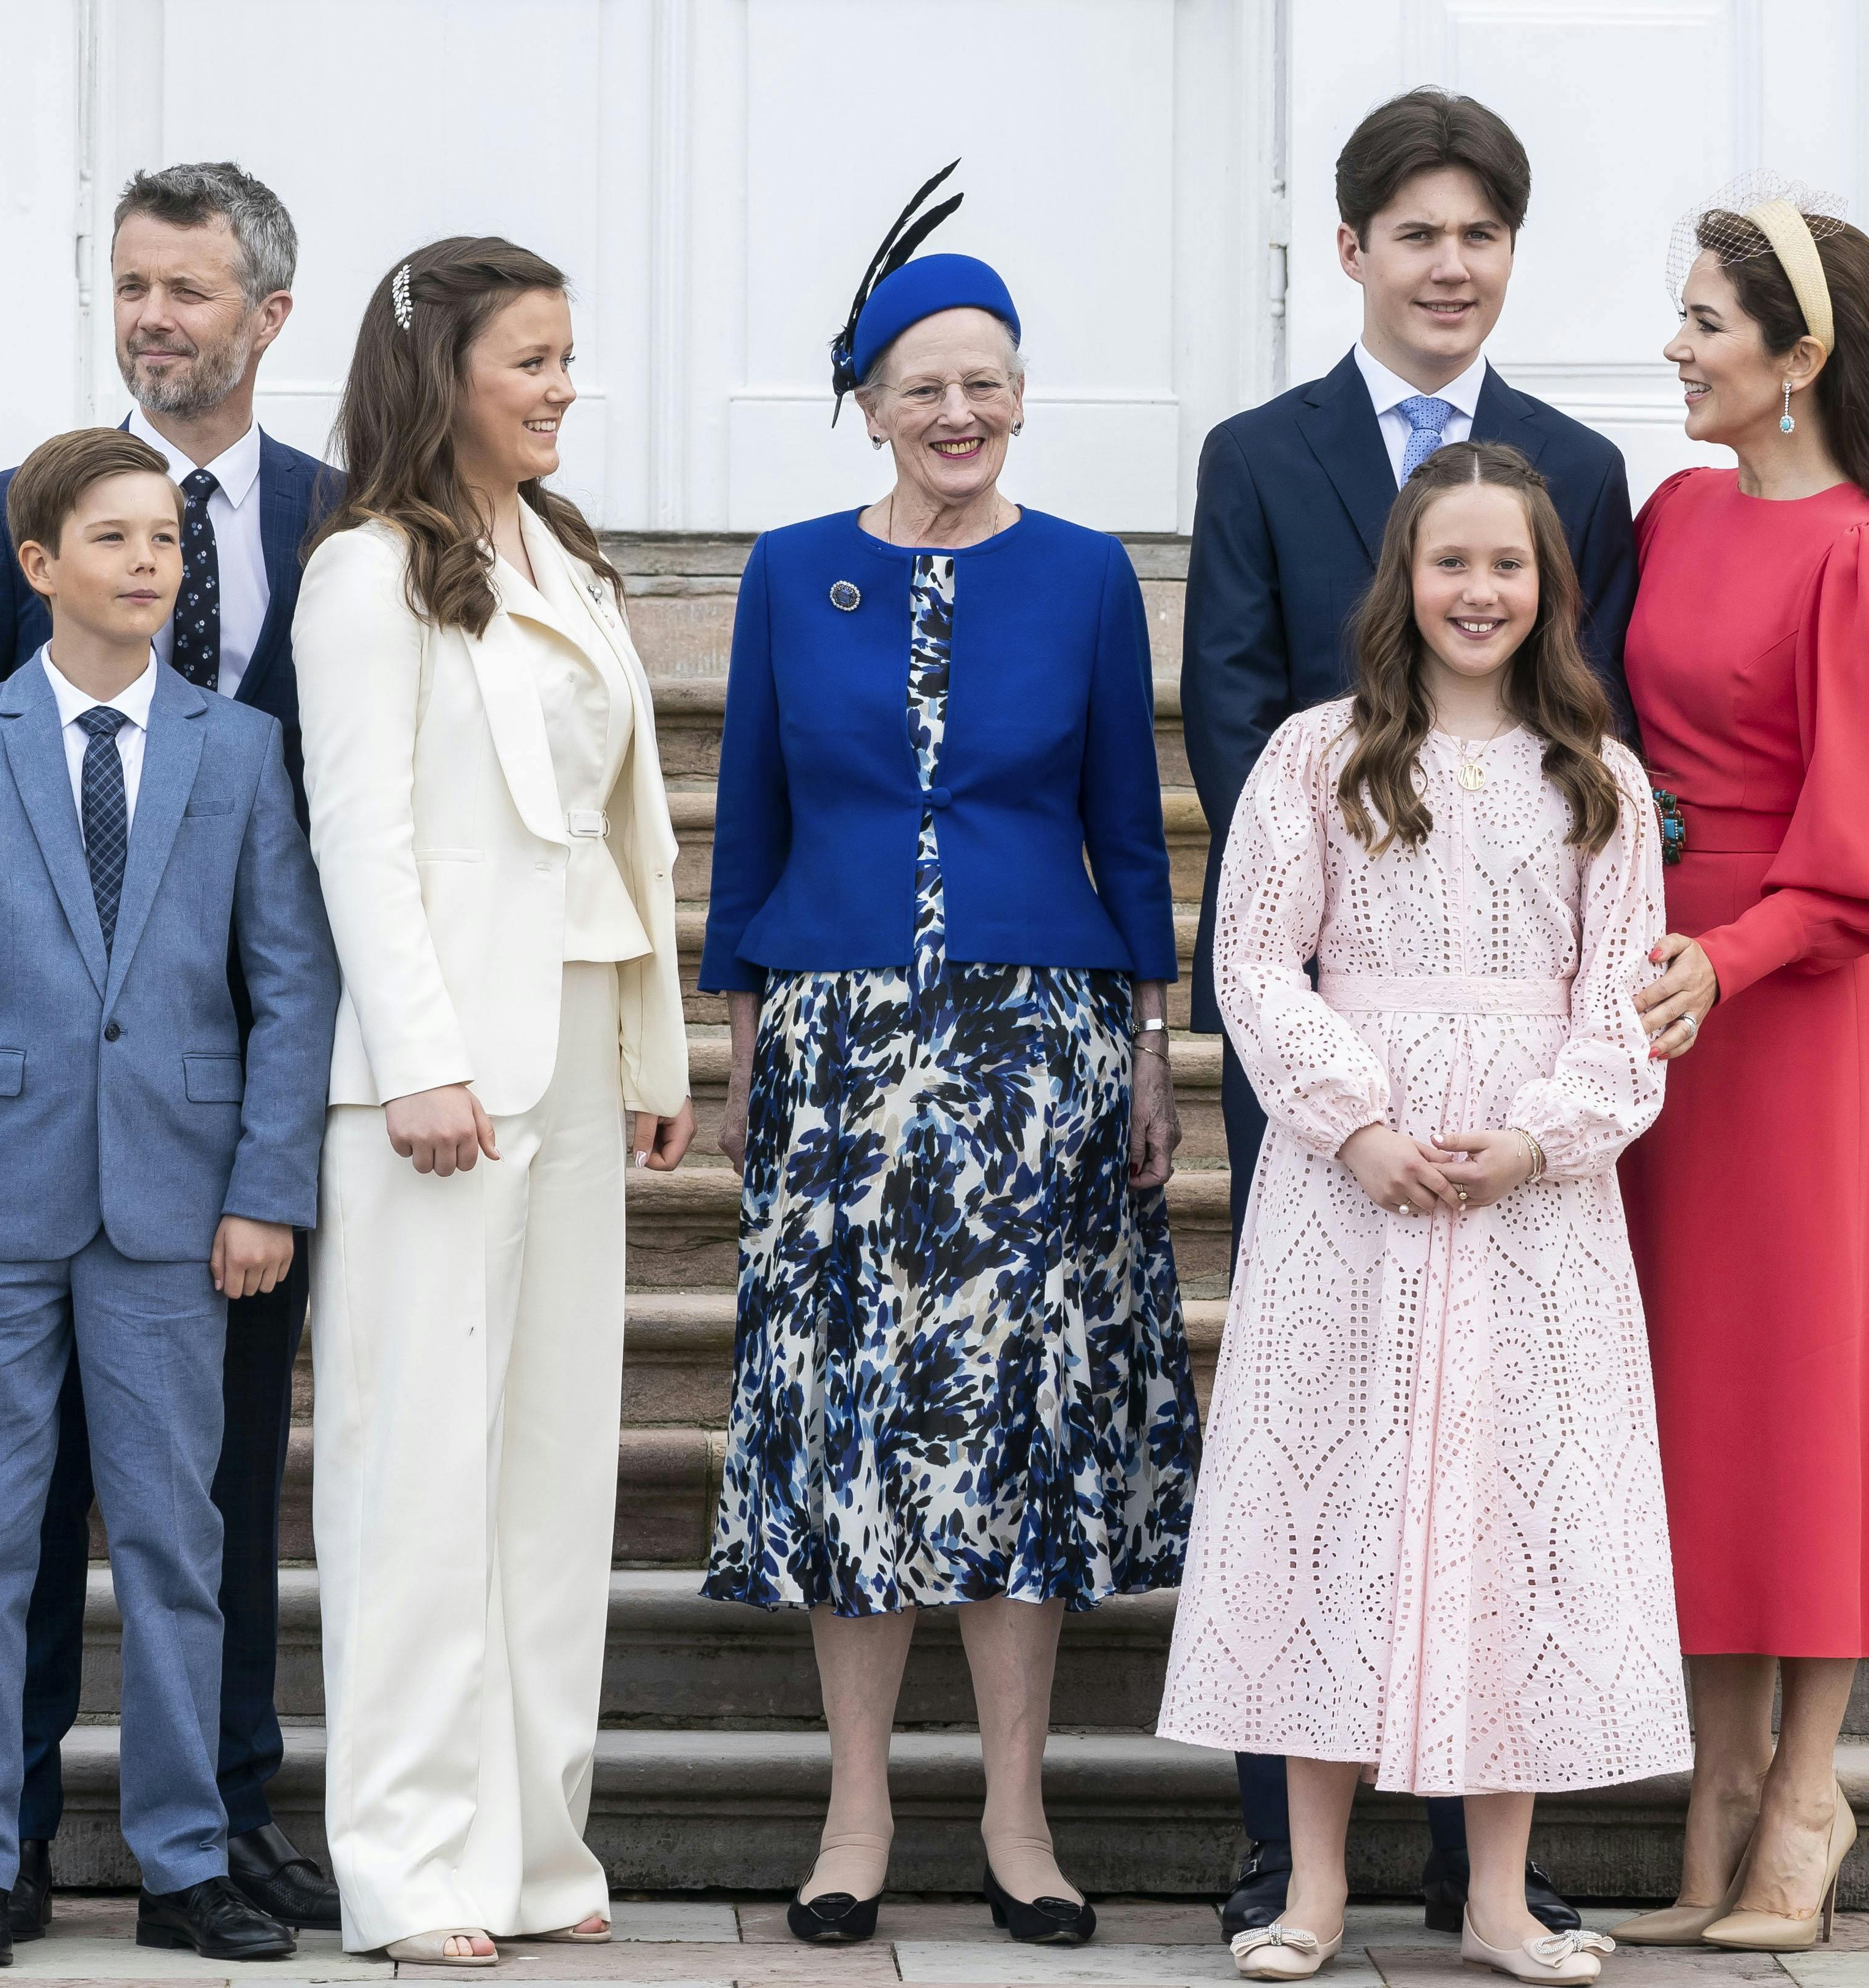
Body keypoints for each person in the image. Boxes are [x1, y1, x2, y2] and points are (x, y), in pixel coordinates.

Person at [698, 171, 1195, 1951]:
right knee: (848, 1435)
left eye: (989, 379)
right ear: (867, 398)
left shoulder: (1082, 577)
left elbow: (1128, 833)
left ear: (1024, 391)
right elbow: (746, 818)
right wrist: (739, 1043)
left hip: (1032, 1049)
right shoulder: (788, 571)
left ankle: (1017, 1811)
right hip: (831, 1047)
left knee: (1017, 1434)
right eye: (925, 384)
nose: (961, 413)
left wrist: (1153, 1047)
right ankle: (853, 1811)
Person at [0, 161, 344, 1937]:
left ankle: (196, 1843)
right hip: (0, 1175)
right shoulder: (9, 571)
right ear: (48, 562)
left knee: (188, 1534)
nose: (155, 315)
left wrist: (268, 1171)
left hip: (190, 1174)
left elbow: (293, 960)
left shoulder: (332, 537)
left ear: (263, 314)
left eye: (189, 289)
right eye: (130, 284)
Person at [1180, 86, 1636, 1938]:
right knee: (1324, 1452)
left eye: (1482, 234)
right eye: (1418, 232)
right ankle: (1283, 1857)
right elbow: (1227, 713)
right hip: (1333, 1036)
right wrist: (1342, 1077)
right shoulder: (1259, 451)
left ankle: (1485, 1868)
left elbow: (1615, 754)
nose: (1452, 264)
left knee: (1497, 1474)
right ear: (1354, 247)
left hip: (1522, 1098)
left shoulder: (1580, 465)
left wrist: (1541, 1094)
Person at [293, 235, 692, 1968]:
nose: (562, 386)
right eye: (531, 358)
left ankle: (534, 1845)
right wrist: (420, 1057)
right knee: (415, 1475)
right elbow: (360, 834)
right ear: (444, 368)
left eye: (567, 355)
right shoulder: (363, 572)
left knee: (547, 1479)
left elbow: (627, 824)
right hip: (435, 1086)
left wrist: (652, 1047)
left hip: (575, 1048)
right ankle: (407, 1862)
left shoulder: (570, 556)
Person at [1609, 179, 1869, 1956]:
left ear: (1800, 359)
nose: (1673, 348)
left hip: (1786, 1013)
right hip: (1649, 1002)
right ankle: (1717, 1783)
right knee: (1691, 1406)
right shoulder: (1674, 512)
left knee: (1805, 1405)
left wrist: (1727, 958)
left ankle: (1807, 1795)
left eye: (1704, 325)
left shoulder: (1866, 558)